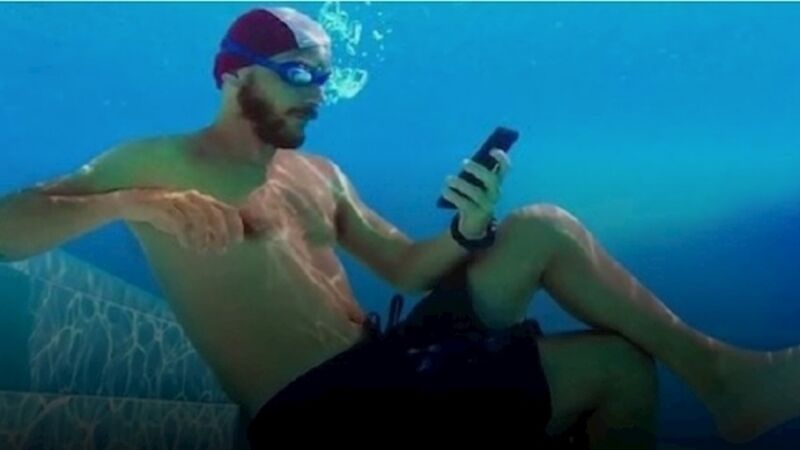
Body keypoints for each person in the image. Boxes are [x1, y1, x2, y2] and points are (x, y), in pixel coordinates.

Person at [0, 6, 797, 449]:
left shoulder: (319, 173)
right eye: (300, 75)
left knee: (540, 227)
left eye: (326, 78)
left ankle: (724, 379)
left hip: (388, 363)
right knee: (616, 371)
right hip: (320, 412)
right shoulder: (158, 161)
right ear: (234, 75)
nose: (318, 95)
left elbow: (408, 268)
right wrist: (130, 205)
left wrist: (469, 227)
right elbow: (8, 228)